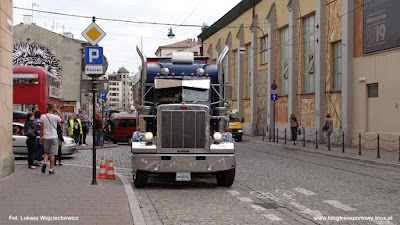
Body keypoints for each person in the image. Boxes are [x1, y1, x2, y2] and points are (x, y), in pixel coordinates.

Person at [39, 104, 64, 175]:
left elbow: (41, 127)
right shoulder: (55, 117)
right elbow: (63, 121)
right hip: (53, 137)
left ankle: (44, 163)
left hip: (46, 136)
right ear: (54, 109)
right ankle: (51, 169)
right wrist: (59, 113)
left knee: (46, 152)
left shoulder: (43, 116)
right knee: (52, 153)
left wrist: (41, 136)